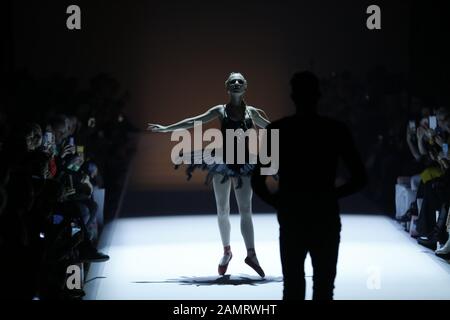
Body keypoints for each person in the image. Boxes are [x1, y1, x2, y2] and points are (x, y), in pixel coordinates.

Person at [251, 71, 367, 299]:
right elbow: (360, 178)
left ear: (293, 96)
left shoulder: (278, 130)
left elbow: (258, 180)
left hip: (292, 216)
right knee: (324, 289)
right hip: (325, 216)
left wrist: (279, 202)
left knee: (293, 287)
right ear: (318, 95)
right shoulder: (336, 130)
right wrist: (331, 195)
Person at [148, 72, 270, 277]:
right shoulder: (220, 110)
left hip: (245, 163)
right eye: (233, 82)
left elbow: (275, 129)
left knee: (245, 208)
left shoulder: (253, 112)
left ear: (246, 86)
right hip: (222, 161)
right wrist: (167, 129)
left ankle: (251, 254)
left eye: (240, 81)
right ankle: (227, 251)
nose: (237, 84)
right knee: (222, 208)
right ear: (227, 87)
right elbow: (194, 120)